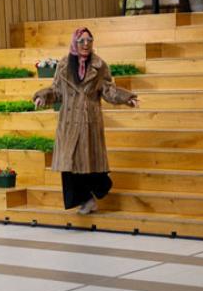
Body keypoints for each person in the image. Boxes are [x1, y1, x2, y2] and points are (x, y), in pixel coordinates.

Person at [33, 27, 138, 215]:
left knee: (89, 163)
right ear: (75, 42)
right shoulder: (64, 65)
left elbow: (108, 90)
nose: (86, 44)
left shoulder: (99, 66)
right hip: (68, 123)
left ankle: (93, 195)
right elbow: (56, 91)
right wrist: (42, 97)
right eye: (82, 40)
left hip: (89, 122)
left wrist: (126, 97)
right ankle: (86, 200)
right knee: (69, 165)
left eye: (89, 40)